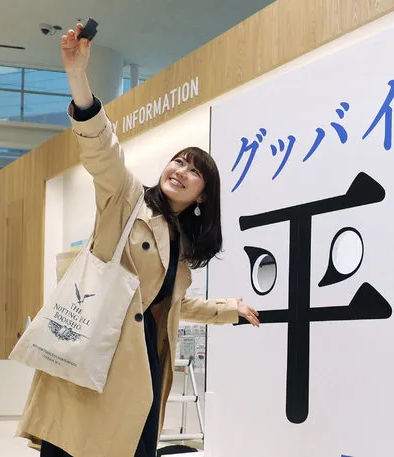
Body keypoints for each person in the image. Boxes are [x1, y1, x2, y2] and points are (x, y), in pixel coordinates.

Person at [16, 23, 261, 457]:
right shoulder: (126, 200)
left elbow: (174, 307)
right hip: (93, 354)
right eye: (179, 161)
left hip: (138, 368)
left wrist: (230, 310)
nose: (180, 170)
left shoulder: (181, 247)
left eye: (194, 170)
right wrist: (78, 78)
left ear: (203, 195)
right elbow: (102, 151)